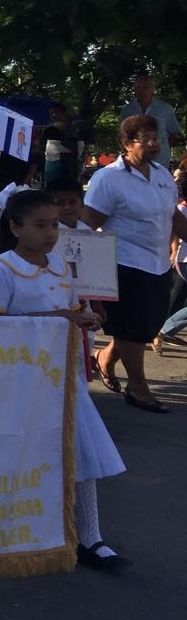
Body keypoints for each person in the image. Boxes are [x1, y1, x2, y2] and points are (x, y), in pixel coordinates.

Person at [0, 190, 128, 570]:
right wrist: (60, 318)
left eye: (55, 225)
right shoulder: (4, 268)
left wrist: (88, 316)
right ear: (15, 227)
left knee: (82, 452)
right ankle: (5, 532)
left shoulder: (62, 266)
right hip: (23, 380)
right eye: (41, 225)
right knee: (19, 454)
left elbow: (74, 308)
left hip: (65, 377)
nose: (51, 233)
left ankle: (91, 537)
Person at [83, 115, 187, 412]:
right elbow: (89, 225)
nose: (155, 144)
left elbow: (174, 218)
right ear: (126, 144)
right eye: (147, 139)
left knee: (146, 325)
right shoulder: (108, 178)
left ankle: (104, 358)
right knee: (132, 328)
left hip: (158, 264)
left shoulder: (164, 175)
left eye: (158, 138)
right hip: (124, 263)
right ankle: (138, 387)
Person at [154, 175, 187, 355]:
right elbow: (174, 232)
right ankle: (165, 329)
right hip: (184, 259)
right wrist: (173, 251)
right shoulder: (181, 209)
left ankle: (165, 329)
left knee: (177, 298)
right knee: (175, 296)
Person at [118, 75, 182, 147]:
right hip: (136, 154)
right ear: (134, 90)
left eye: (146, 87)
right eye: (138, 87)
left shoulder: (165, 108)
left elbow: (174, 132)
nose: (142, 90)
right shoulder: (127, 109)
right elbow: (123, 134)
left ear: (153, 88)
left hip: (160, 155)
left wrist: (162, 146)